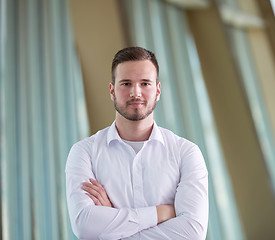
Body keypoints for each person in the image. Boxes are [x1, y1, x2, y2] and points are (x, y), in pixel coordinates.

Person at [65, 46, 208, 240]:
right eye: (126, 83)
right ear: (112, 90)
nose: (136, 93)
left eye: (145, 83)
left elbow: (192, 232)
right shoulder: (84, 153)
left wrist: (113, 226)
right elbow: (84, 225)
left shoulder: (186, 153)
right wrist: (162, 212)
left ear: (157, 90)